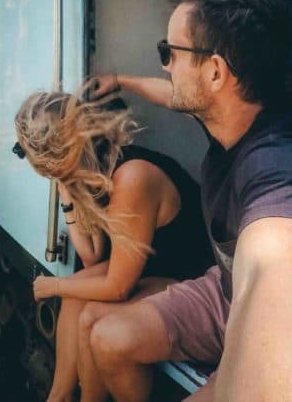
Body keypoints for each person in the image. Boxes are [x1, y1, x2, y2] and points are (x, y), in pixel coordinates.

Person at [88, 0, 292, 401]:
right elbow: (172, 94)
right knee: (107, 339)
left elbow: (273, 266)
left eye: (169, 53)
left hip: (248, 301)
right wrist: (121, 81)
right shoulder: (234, 116)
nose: (165, 65)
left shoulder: (277, 158)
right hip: (222, 287)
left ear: (215, 72)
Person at [14, 89, 213, 402]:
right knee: (78, 290)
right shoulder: (96, 171)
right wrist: (67, 191)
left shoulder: (131, 177)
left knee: (89, 315)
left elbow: (118, 287)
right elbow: (91, 257)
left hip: (193, 276)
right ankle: (59, 394)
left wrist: (53, 286)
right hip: (152, 269)